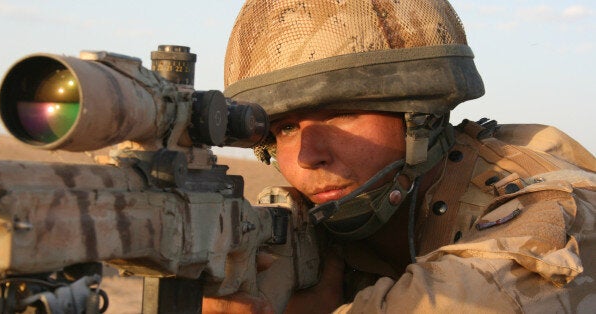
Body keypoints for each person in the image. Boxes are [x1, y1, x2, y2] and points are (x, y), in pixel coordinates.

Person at [205, 0, 596, 312]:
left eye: (340, 113)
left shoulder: (544, 224)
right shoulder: (306, 226)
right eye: (286, 129)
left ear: (419, 119)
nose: (308, 156)